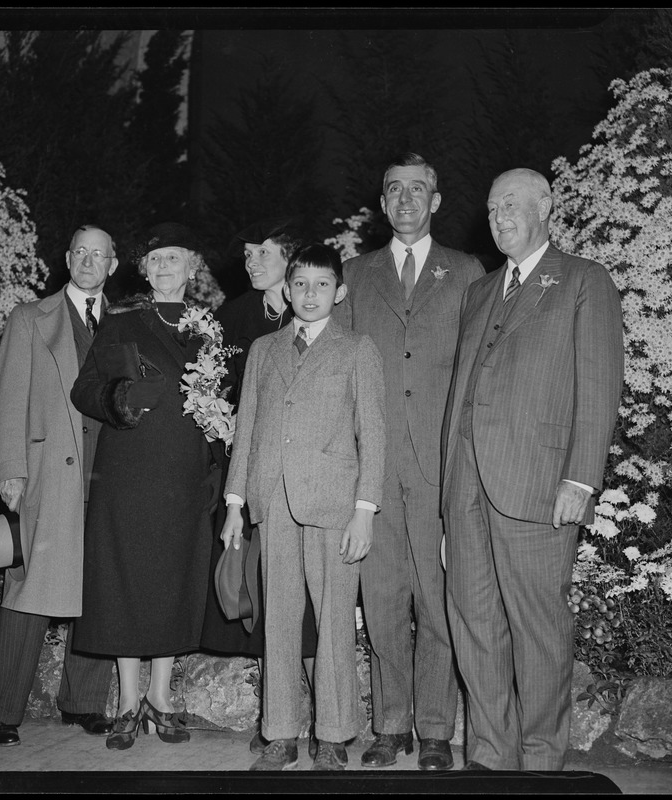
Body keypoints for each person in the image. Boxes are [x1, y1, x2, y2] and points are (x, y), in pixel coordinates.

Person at [441, 168, 624, 771]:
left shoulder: (582, 280)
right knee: (474, 625)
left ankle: (543, 763)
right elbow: (460, 396)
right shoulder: (478, 292)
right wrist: (448, 501)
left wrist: (581, 479)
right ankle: (490, 758)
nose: (499, 218)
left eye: (511, 205)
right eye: (492, 209)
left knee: (539, 631)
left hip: (539, 485)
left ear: (547, 206)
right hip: (466, 488)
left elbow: (598, 385)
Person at [334, 153, 484, 770]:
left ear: (437, 201)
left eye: (417, 190)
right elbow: (338, 364)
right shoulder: (355, 273)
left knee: (439, 600)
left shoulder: (468, 271)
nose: (405, 200)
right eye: (394, 190)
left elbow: (478, 369)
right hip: (374, 470)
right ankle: (391, 726)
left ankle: (436, 732)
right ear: (383, 201)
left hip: (440, 467)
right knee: (385, 599)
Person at [220, 243, 386, 771]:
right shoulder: (265, 350)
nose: (310, 294)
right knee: (281, 619)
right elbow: (245, 428)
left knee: (336, 619)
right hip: (274, 501)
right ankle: (280, 732)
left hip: (334, 504)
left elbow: (374, 434)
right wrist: (234, 502)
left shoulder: (357, 349)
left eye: (321, 285)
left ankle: (333, 734)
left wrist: (365, 509)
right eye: (299, 284)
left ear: (339, 292)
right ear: (285, 291)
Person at [71, 222, 224, 751]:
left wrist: (217, 467)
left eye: (174, 258)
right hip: (130, 473)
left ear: (192, 267)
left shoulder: (210, 328)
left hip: (184, 476)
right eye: (154, 259)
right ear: (142, 268)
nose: (163, 267)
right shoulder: (123, 322)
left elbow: (226, 407)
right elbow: (84, 389)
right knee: (125, 583)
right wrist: (125, 397)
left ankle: (160, 698)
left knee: (170, 584)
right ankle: (128, 701)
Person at [0, 225, 118, 746]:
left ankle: (83, 702)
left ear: (112, 264)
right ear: (67, 259)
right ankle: (1, 710)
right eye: (80, 252)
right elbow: (7, 398)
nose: (88, 261)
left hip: (109, 476)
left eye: (98, 254)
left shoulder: (126, 324)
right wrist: (9, 472)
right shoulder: (29, 318)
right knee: (30, 591)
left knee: (97, 590)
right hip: (46, 475)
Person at [198, 218, 320, 758]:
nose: (250, 261)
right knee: (267, 596)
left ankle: (329, 714)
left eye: (262, 252)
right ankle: (280, 716)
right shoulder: (235, 316)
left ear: (291, 260)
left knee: (314, 604)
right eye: (246, 252)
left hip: (311, 478)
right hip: (255, 476)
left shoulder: (317, 311)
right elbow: (212, 384)